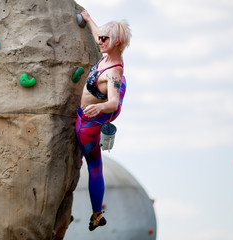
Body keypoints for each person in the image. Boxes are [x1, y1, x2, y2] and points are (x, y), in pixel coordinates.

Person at [75, 10, 131, 231]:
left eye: (104, 39)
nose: (99, 41)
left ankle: (96, 214)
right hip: (98, 113)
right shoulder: (109, 54)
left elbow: (114, 103)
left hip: (88, 123)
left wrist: (99, 107)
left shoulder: (113, 73)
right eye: (100, 38)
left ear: (116, 42)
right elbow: (99, 32)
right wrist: (89, 20)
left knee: (94, 166)